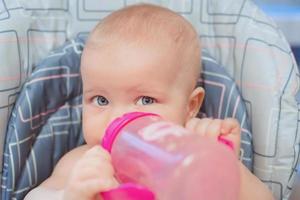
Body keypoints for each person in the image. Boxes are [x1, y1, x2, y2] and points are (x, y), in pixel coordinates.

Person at [25, 3, 274, 200]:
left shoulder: (197, 160)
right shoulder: (85, 162)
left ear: (190, 107)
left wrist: (224, 169)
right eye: (100, 100)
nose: (117, 119)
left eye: (145, 100)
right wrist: (70, 195)